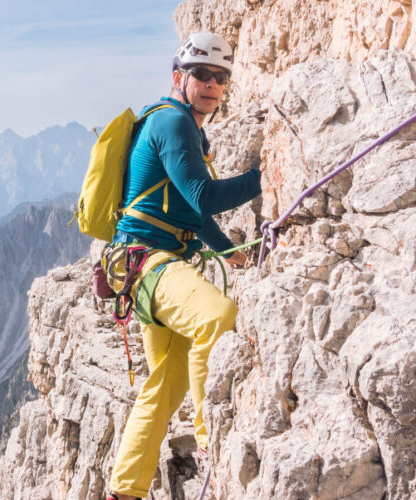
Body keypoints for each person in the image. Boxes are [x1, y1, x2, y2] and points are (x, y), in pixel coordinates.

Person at [105, 32, 262, 500]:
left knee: (164, 387)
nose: (213, 85)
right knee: (217, 318)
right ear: (180, 77)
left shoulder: (184, 126)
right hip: (150, 264)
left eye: (221, 77)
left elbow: (191, 211)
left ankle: (124, 491)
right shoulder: (174, 125)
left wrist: (225, 248)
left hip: (142, 268)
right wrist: (264, 174)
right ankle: (212, 436)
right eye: (202, 75)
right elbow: (204, 196)